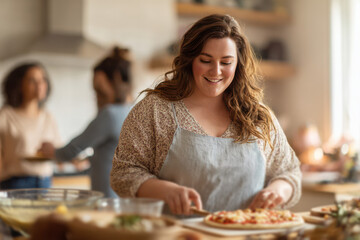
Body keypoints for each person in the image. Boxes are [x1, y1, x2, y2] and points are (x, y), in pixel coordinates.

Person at [110, 14, 301, 215]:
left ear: (238, 64)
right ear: (190, 59)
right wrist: (164, 190)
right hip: (177, 235)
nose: (215, 71)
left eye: (226, 62)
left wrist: (278, 190)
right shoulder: (155, 111)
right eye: (206, 60)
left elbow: (290, 172)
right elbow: (123, 173)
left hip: (247, 234)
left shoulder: (259, 117)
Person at [39, 47, 133, 198]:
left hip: (107, 197)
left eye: (97, 89)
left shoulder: (110, 114)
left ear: (107, 82)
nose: (96, 96)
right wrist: (88, 159)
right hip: (124, 196)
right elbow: (112, 153)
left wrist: (53, 151)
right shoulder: (132, 110)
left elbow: (74, 148)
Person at [0, 62, 61, 189]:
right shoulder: (5, 116)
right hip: (15, 184)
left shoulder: (48, 117)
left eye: (42, 80)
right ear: (19, 85)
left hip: (45, 182)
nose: (40, 85)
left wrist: (74, 159)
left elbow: (58, 150)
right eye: (32, 80)